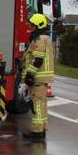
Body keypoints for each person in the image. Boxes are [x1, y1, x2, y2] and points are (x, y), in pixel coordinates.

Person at [22, 13, 54, 141]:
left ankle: (37, 132)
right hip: (41, 78)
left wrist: (29, 74)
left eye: (32, 25)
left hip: (38, 78)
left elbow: (37, 60)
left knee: (37, 105)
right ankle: (41, 129)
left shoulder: (39, 40)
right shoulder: (45, 38)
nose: (30, 27)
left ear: (39, 25)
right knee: (41, 104)